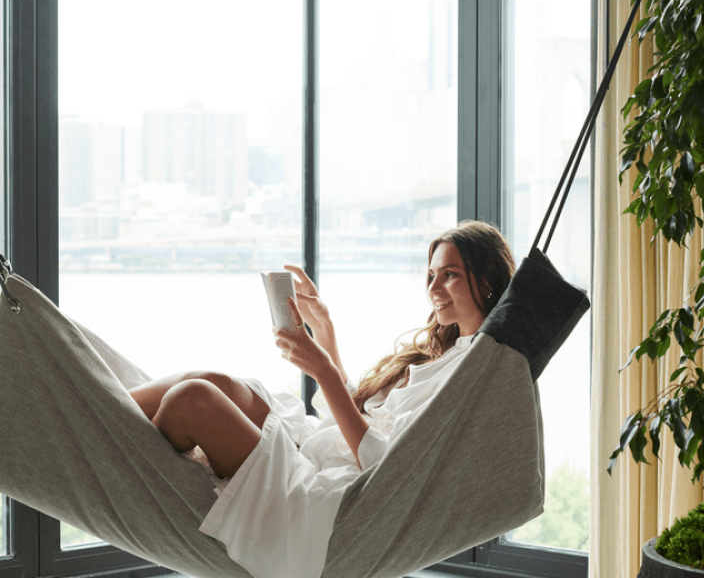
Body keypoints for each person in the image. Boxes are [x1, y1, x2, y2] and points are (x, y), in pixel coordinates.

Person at [127, 219, 516, 578]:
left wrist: (324, 371)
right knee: (213, 381)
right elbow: (356, 418)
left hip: (326, 498)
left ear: (486, 280)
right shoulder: (441, 356)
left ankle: (124, 455)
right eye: (431, 275)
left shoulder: (473, 377)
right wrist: (324, 329)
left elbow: (387, 467)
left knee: (193, 399)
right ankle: (103, 408)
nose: (432, 289)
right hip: (313, 450)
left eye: (449, 275)